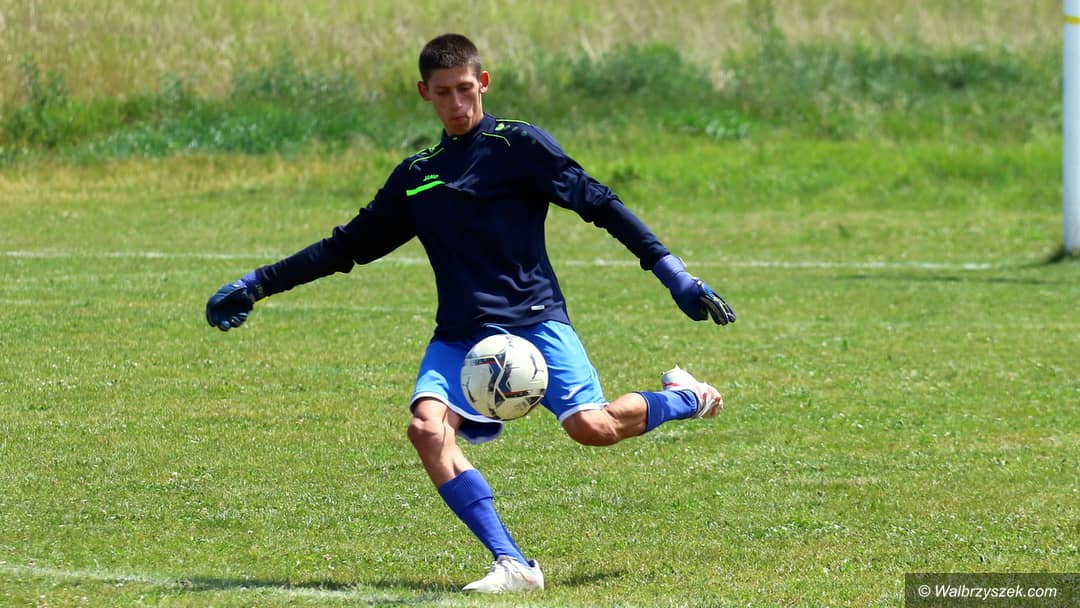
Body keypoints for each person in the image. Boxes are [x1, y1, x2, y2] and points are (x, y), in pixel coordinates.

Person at [205, 33, 736, 594]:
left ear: (483, 83)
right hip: (460, 335)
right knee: (426, 429)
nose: (457, 104)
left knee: (593, 428)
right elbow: (345, 248)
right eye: (443, 93)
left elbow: (600, 204)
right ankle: (514, 564)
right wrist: (257, 284)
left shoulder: (518, 146)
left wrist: (673, 274)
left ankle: (688, 397)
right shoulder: (418, 175)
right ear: (424, 93)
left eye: (465, 89)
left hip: (534, 320)